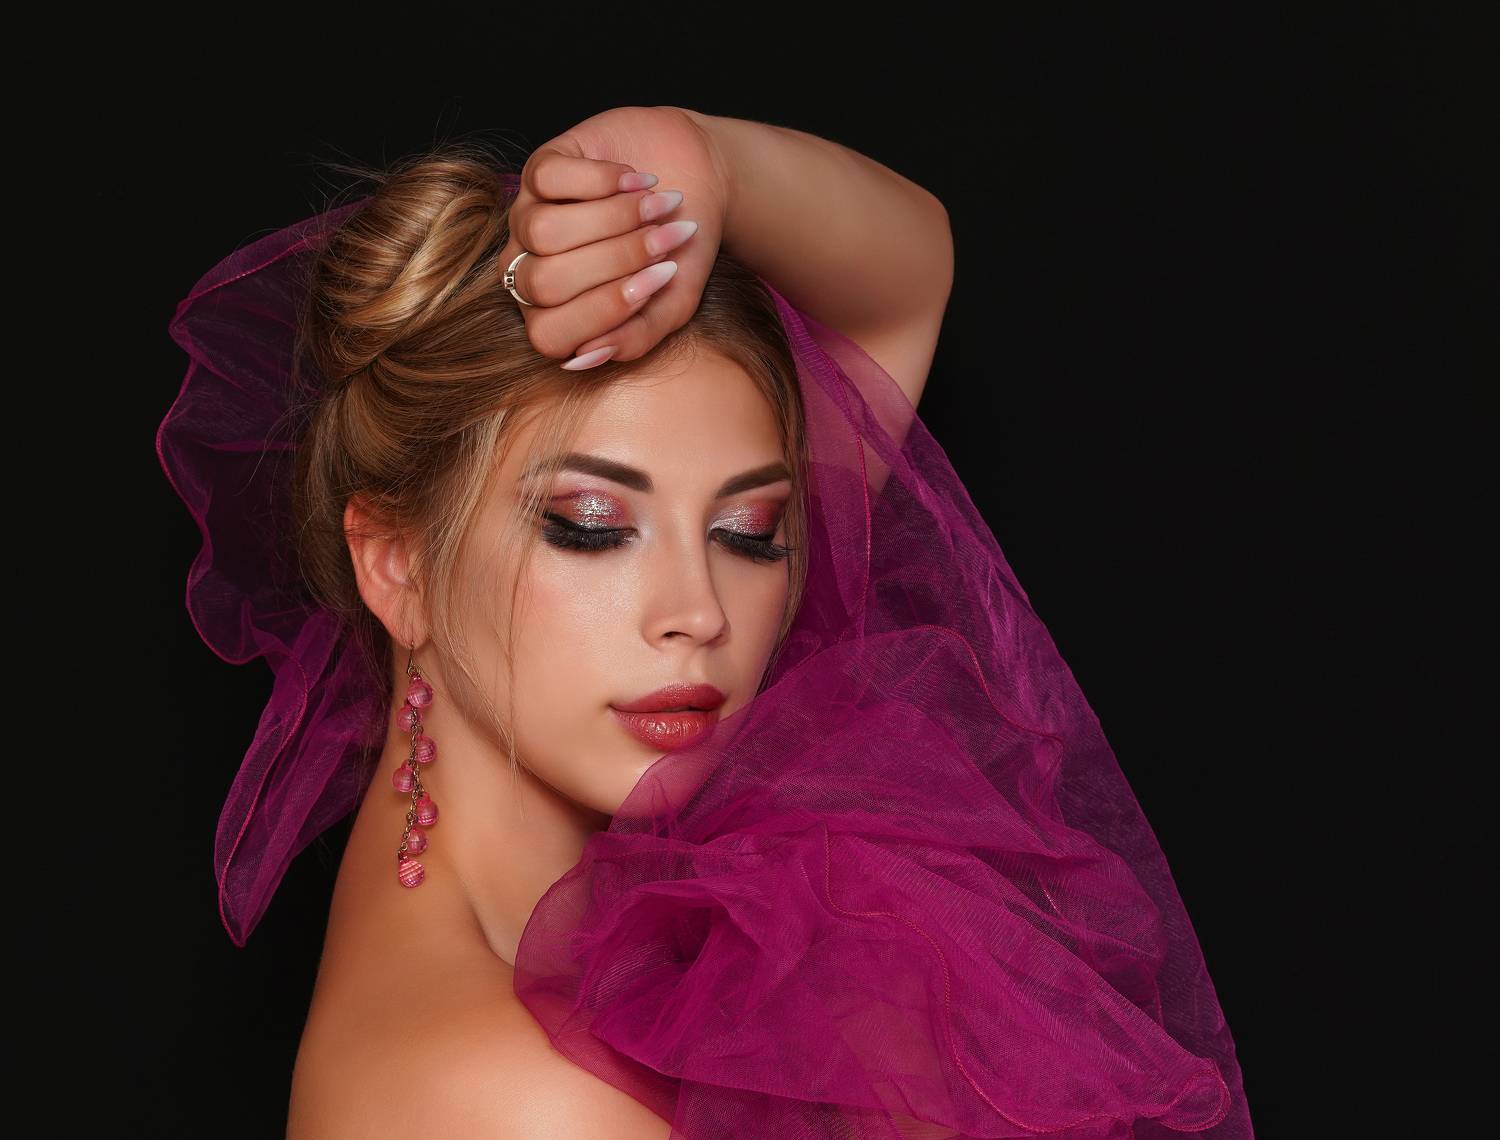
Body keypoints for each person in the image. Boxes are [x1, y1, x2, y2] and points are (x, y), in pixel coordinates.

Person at [159, 107, 1252, 1138]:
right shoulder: (531, 1101)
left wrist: (700, 162)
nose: (699, 613)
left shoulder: (548, 952)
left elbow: (907, 276)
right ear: (395, 564)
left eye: (750, 532)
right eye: (591, 527)